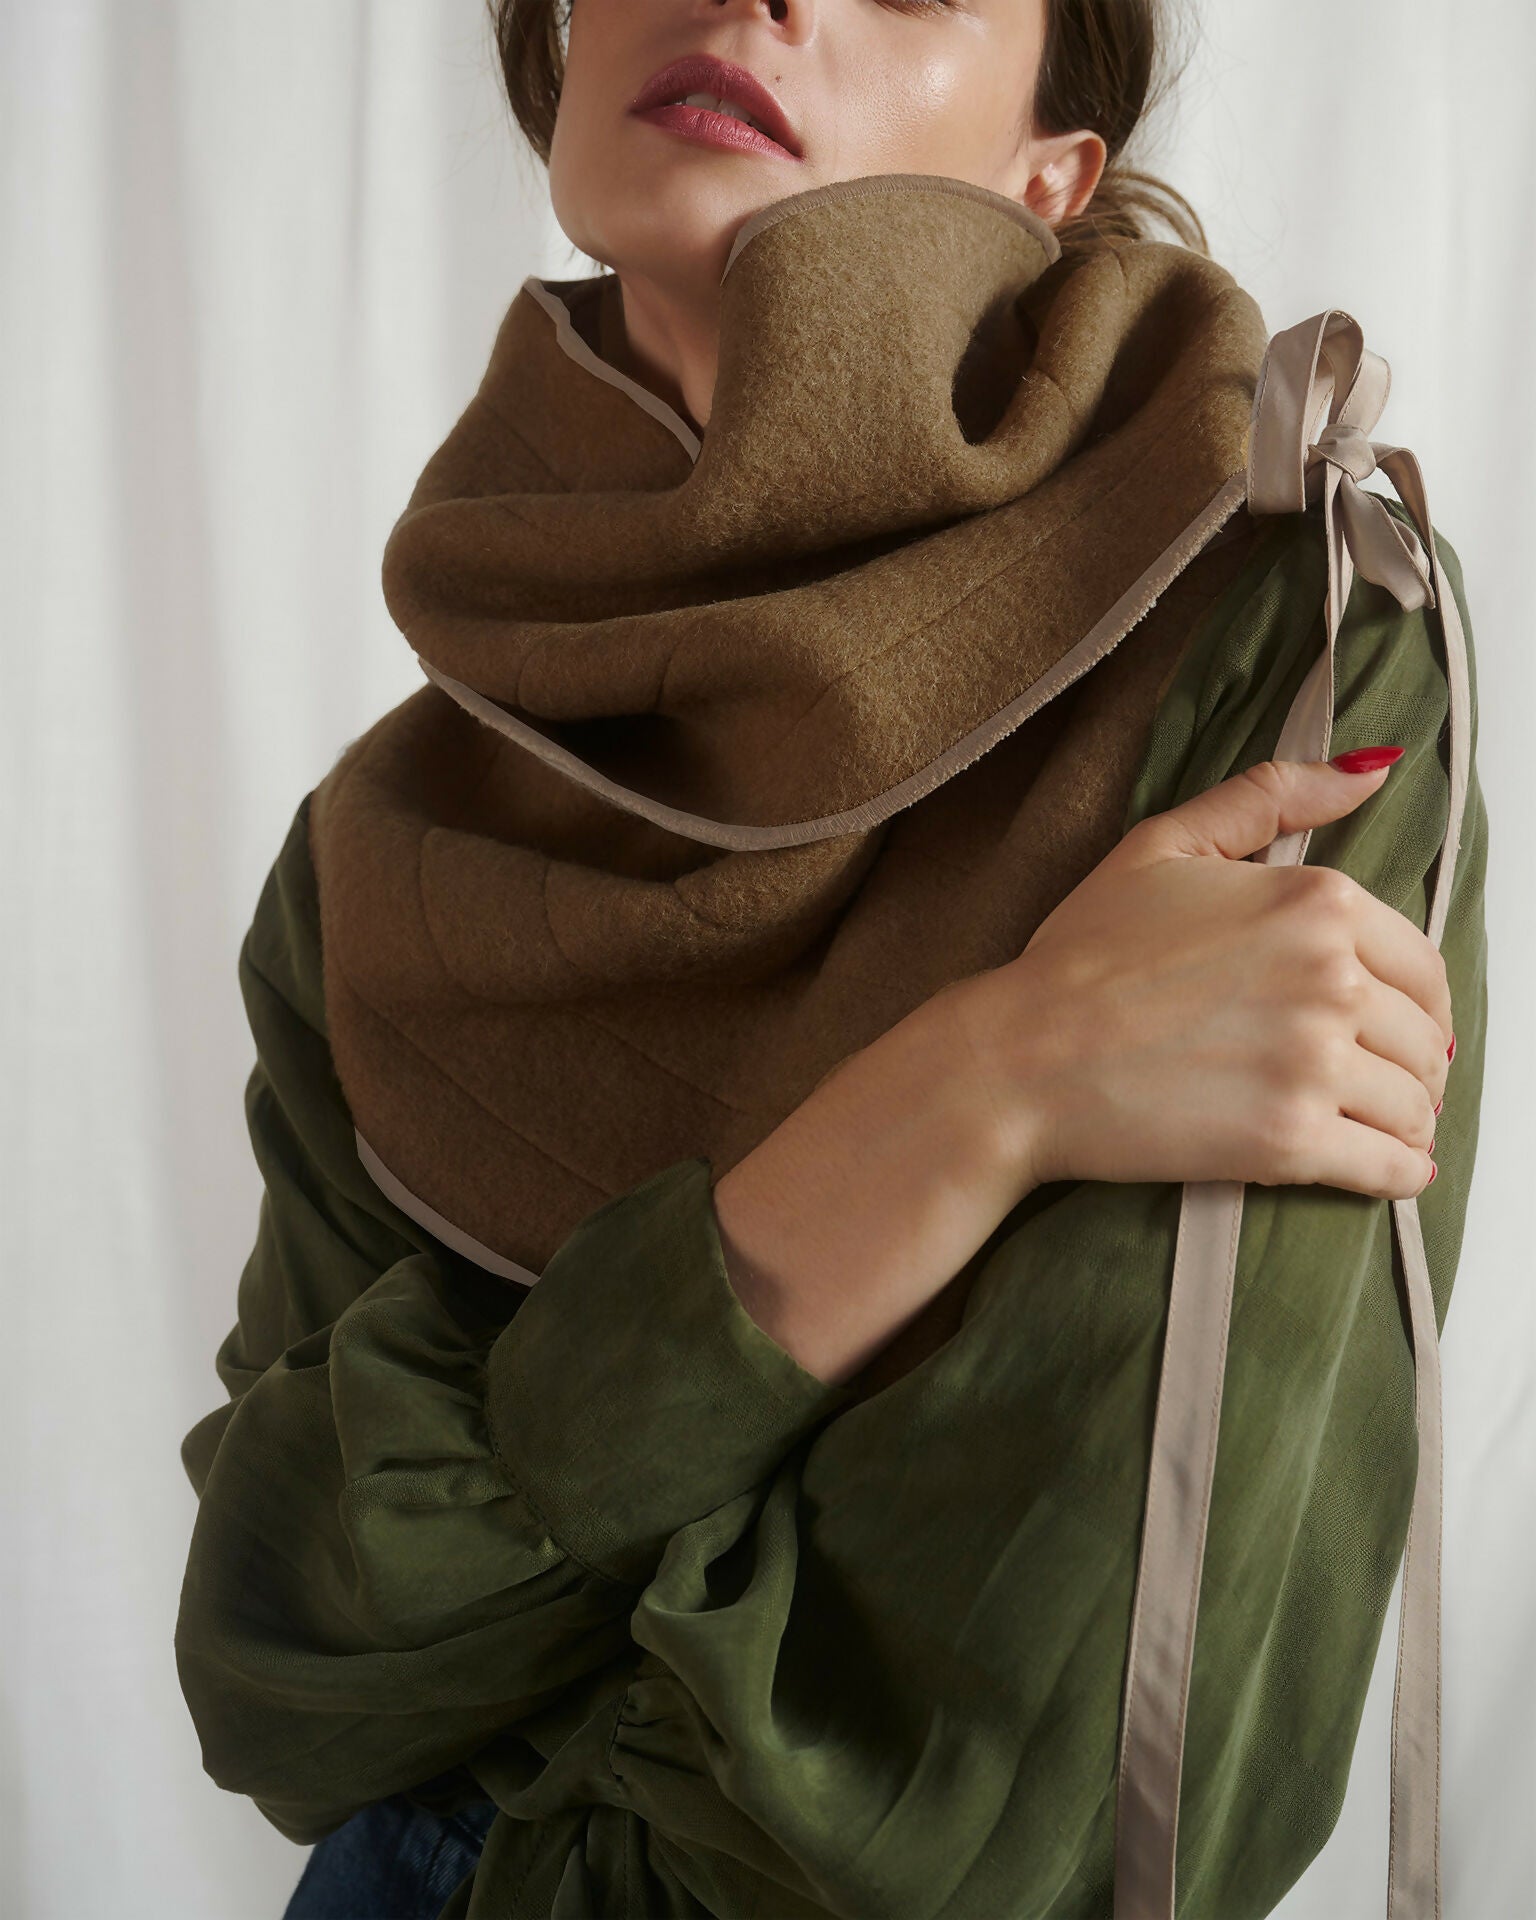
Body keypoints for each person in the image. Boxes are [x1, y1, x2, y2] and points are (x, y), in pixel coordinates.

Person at [175, 2, 1488, 1917]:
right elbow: (279, 1668)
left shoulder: (1288, 649)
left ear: (1053, 177)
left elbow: (1024, 1798)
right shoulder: (393, 837)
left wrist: (529, 1589)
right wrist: (977, 1091)